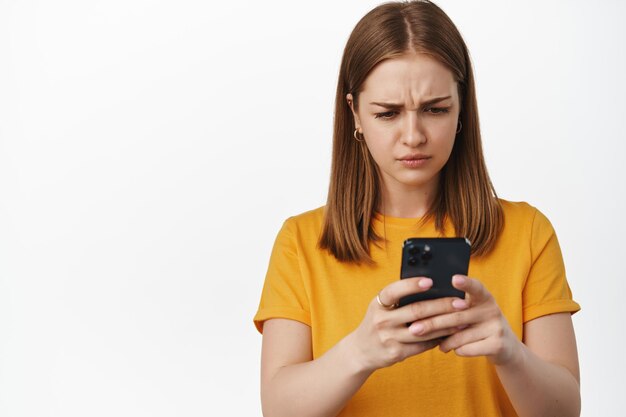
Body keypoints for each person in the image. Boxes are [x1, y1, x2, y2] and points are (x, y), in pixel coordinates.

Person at [253, 1, 581, 416]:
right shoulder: (301, 242)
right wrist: (360, 351)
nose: (413, 136)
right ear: (354, 112)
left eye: (435, 109)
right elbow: (278, 410)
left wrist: (508, 351)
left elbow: (566, 410)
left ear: (462, 109)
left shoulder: (527, 231)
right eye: (388, 113)